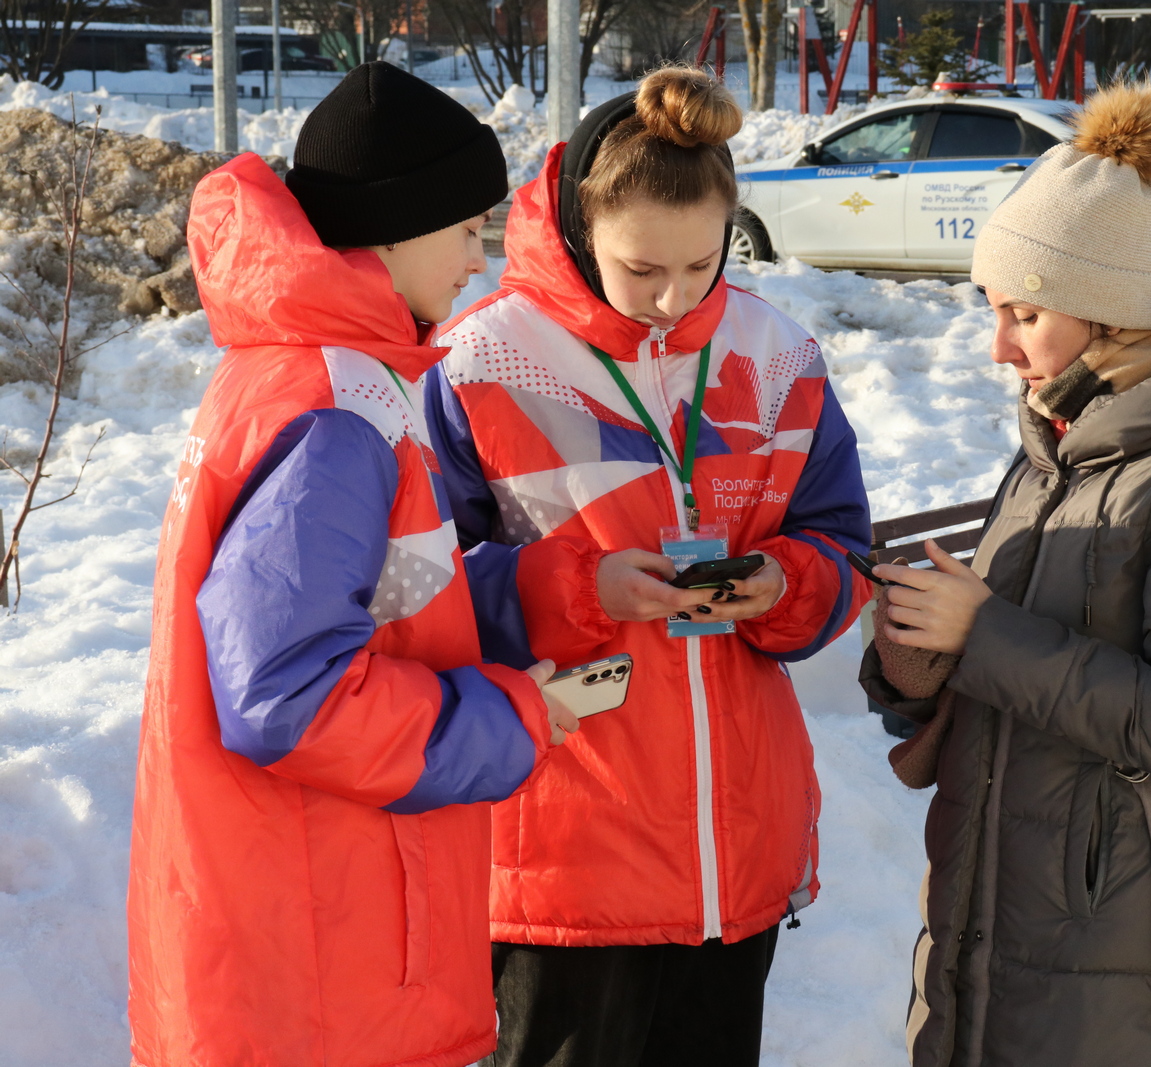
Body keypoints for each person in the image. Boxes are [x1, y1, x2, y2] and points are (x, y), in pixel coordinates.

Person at [127, 63, 576, 1067]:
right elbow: (286, 690)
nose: (479, 255)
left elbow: (381, 603)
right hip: (326, 967)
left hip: (311, 939)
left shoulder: (305, 373)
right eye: (465, 226)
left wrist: (558, 590)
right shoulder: (331, 407)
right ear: (392, 228)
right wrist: (508, 720)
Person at [422, 66, 872, 1067]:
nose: (675, 298)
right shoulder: (477, 364)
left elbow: (843, 544)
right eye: (641, 270)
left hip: (733, 855)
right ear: (583, 232)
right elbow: (414, 592)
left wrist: (783, 586)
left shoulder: (778, 354)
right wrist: (572, 588)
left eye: (701, 264)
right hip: (560, 860)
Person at [860, 82, 1151, 1067]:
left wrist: (980, 633)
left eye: (1024, 312)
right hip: (987, 917)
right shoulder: (1058, 446)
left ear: (1112, 315)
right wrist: (917, 651)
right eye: (994, 308)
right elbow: (1005, 664)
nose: (999, 345)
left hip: (1114, 945)